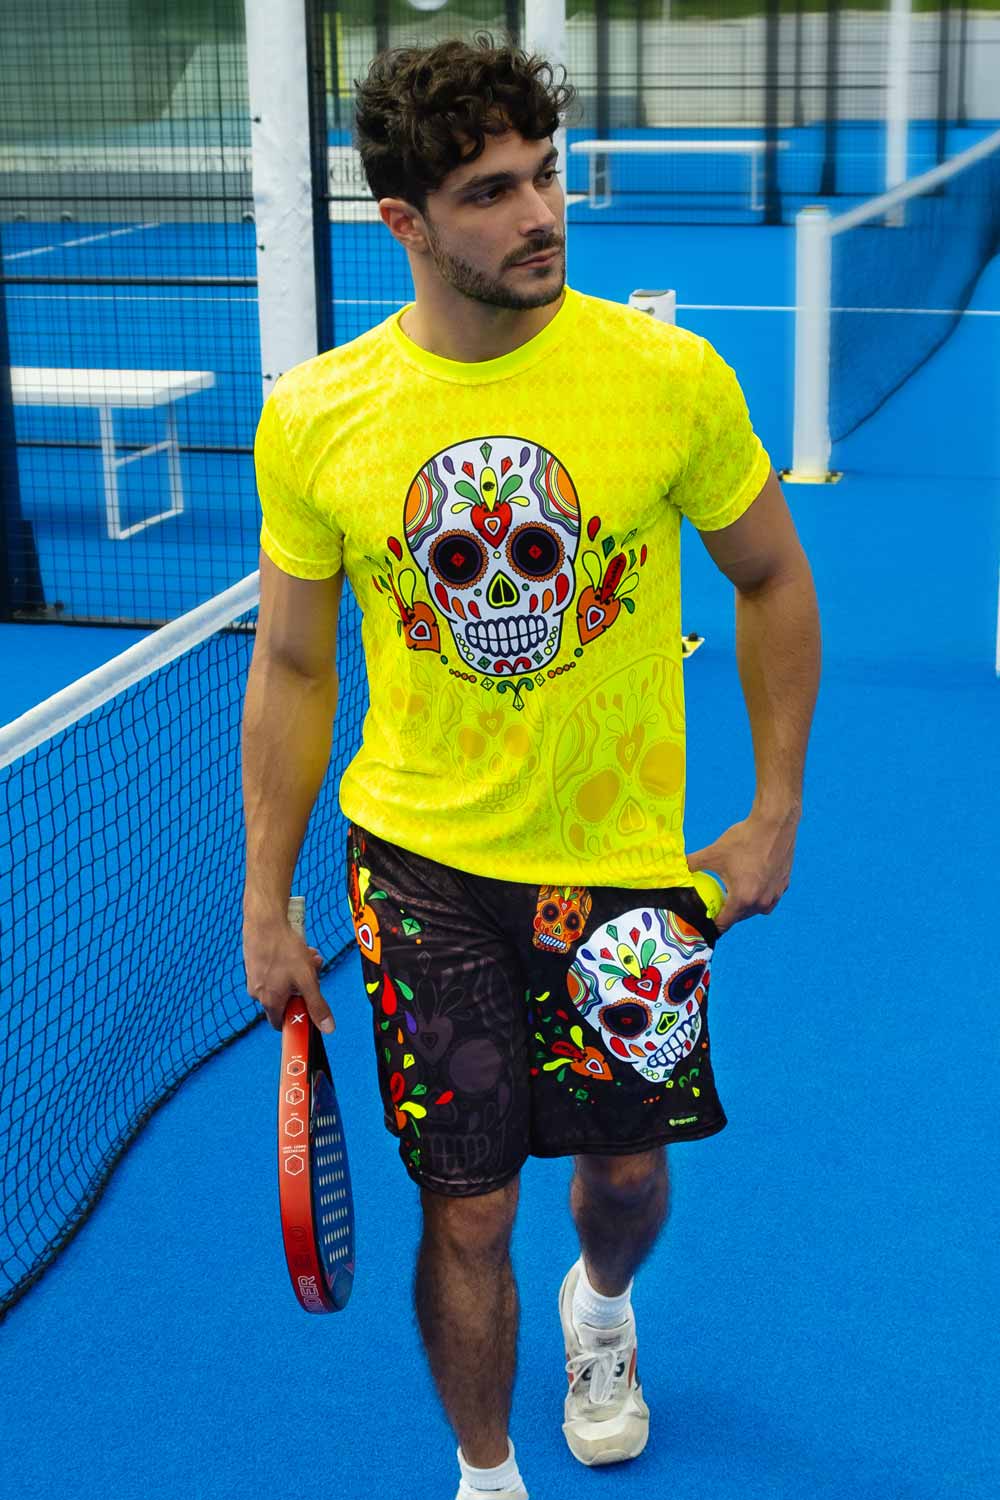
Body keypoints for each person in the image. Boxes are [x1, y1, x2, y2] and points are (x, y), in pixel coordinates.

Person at [242, 33, 821, 1500]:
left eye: (545, 175)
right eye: (491, 192)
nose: (540, 214)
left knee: (625, 1180)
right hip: (420, 865)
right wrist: (265, 895)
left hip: (622, 870)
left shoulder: (666, 378)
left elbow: (770, 575)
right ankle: (485, 1470)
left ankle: (602, 1306)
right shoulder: (317, 418)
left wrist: (773, 812)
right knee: (470, 1206)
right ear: (406, 222)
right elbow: (295, 666)